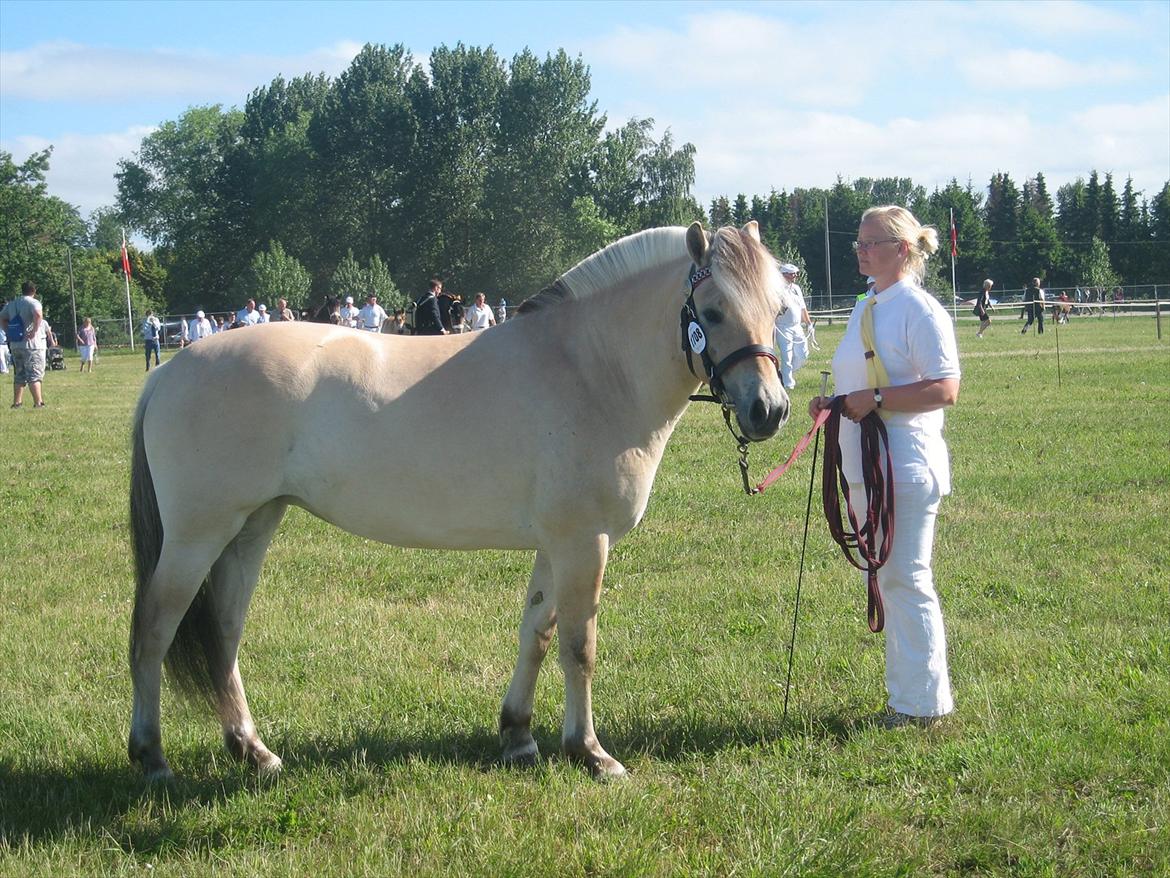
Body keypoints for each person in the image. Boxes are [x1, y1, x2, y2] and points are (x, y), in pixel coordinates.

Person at [810, 205, 961, 729]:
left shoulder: (920, 310)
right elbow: (863, 382)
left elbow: (945, 388)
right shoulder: (865, 306)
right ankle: (908, 697)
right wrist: (834, 403)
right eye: (859, 243)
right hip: (861, 460)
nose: (861, 251)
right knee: (889, 577)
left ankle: (923, 705)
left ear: (901, 250)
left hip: (905, 462)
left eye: (871, 243)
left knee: (906, 578)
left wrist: (873, 397)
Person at [0, 280, 46, 408]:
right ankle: (38, 403)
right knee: (34, 374)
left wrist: (8, 331)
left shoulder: (12, 304)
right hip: (31, 345)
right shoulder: (34, 302)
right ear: (34, 291)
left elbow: (2, 318)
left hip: (16, 344)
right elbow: (38, 314)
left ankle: (17, 403)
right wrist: (34, 330)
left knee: (19, 374)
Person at [773, 263, 811, 390]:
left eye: (795, 273)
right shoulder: (776, 289)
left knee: (803, 354)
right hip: (783, 326)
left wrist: (809, 324)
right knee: (787, 356)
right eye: (791, 274)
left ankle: (783, 375)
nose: (794, 276)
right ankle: (788, 383)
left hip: (797, 326)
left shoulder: (796, 288)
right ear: (784, 275)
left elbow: (803, 308)